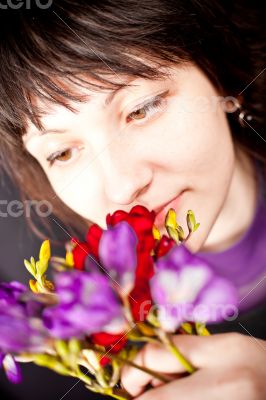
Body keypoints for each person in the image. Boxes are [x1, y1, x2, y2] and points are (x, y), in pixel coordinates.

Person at [0, 1, 265, 399]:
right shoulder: (48, 302)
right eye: (63, 153)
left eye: (142, 109)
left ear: (224, 79)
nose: (123, 187)